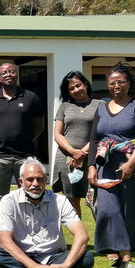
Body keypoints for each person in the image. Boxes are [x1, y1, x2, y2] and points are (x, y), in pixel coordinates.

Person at [0, 158, 95, 268]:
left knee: (87, 258)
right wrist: (35, 267)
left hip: (54, 258)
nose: (36, 184)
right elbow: (5, 241)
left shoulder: (60, 201)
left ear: (46, 180)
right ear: (21, 182)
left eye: (40, 179)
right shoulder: (8, 201)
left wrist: (65, 265)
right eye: (30, 179)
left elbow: (82, 236)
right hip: (21, 258)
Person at [87, 62, 135, 268]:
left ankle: (121, 259)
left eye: (121, 82)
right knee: (107, 210)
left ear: (128, 83)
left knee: (127, 211)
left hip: (130, 166)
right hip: (105, 167)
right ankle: (125, 259)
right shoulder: (101, 108)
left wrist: (131, 162)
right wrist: (91, 167)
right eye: (112, 83)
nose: (116, 86)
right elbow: (95, 138)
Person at [0, 62, 44, 245]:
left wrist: (23, 139)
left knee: (27, 196)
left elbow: (39, 126)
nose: (8, 74)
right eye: (4, 72)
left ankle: (26, 235)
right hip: (0, 156)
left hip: (24, 156)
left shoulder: (31, 97)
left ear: (16, 75)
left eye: (11, 71)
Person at [52, 71, 102, 219]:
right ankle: (80, 240)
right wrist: (72, 151)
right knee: (72, 202)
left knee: (97, 202)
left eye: (78, 85)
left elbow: (100, 133)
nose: (76, 90)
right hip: (68, 160)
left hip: (91, 159)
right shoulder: (64, 107)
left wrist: (82, 153)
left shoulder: (99, 105)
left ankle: (104, 240)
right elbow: (58, 134)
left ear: (85, 84)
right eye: (71, 89)